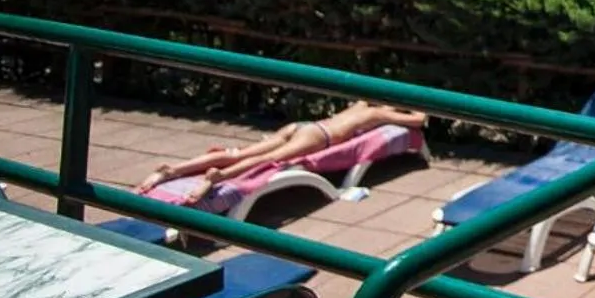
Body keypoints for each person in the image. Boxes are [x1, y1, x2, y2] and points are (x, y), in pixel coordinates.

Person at [135, 99, 429, 195]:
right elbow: (419, 120)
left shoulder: (359, 104)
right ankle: (219, 177)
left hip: (302, 126)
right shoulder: (374, 113)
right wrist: (405, 106)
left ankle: (171, 171)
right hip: (319, 137)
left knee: (242, 152)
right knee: (271, 159)